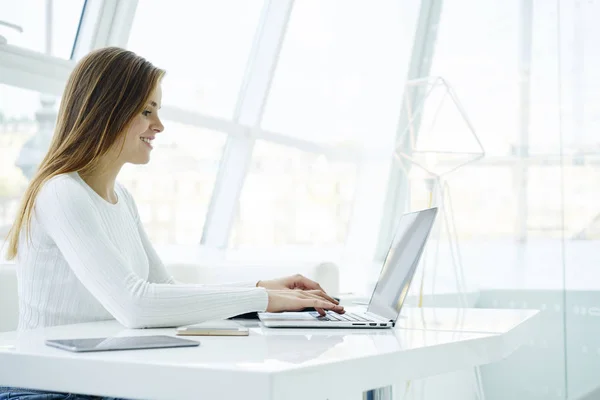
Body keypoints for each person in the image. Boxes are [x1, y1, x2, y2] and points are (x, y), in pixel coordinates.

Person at [1, 47, 343, 400]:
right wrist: (264, 298)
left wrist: (264, 288)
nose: (159, 125)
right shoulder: (61, 193)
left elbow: (163, 287)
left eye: (158, 111)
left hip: (96, 384)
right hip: (46, 390)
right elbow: (137, 305)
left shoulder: (121, 199)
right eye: (146, 111)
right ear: (107, 112)